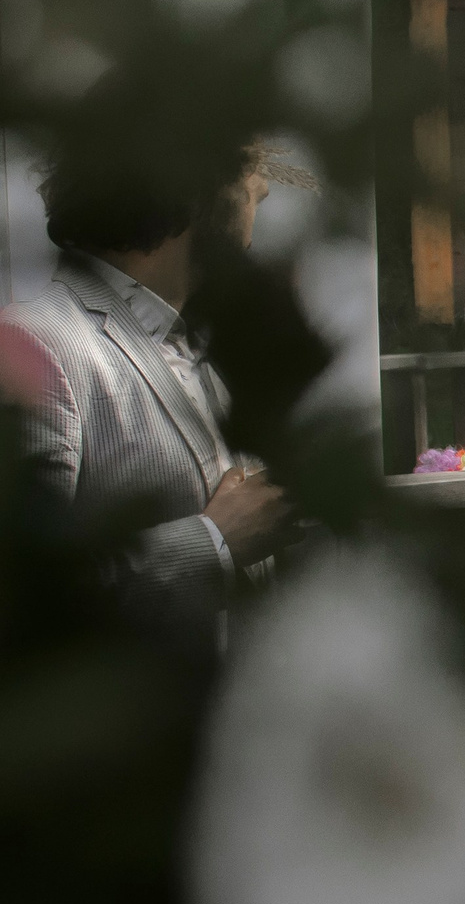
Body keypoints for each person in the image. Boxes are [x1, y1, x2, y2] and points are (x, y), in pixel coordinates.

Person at [0, 142, 290, 649]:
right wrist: (212, 542)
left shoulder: (207, 349)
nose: (261, 188)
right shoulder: (35, 344)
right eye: (248, 168)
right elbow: (23, 591)